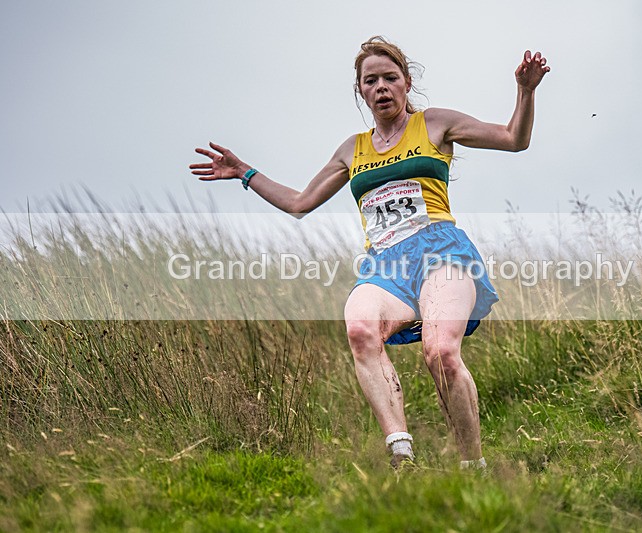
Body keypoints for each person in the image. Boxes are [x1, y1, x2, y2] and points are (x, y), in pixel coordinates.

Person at [190, 36, 550, 470]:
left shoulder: (435, 124)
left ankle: (473, 466)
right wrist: (244, 172)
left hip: (441, 254)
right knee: (360, 328)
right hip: (386, 264)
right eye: (370, 81)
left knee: (440, 352)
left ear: (406, 83)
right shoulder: (352, 149)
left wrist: (525, 92)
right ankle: (402, 454)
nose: (381, 87)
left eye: (389, 78)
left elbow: (514, 139)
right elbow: (299, 203)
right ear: (361, 90)